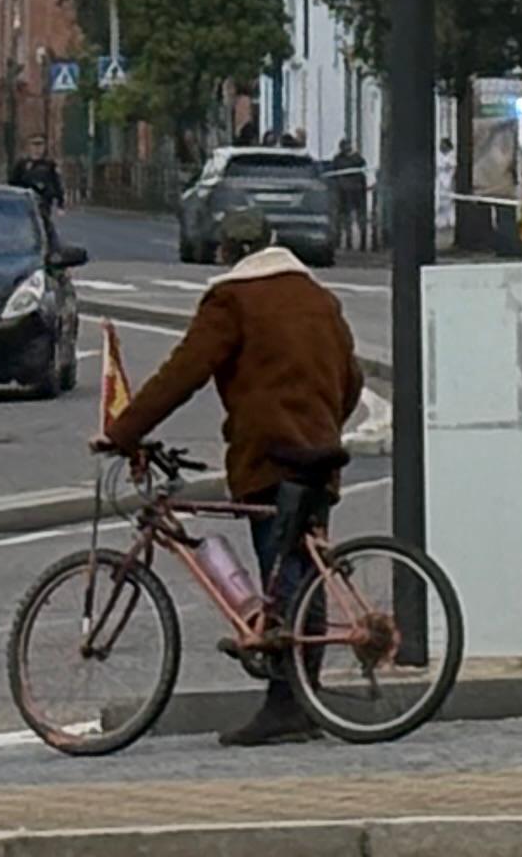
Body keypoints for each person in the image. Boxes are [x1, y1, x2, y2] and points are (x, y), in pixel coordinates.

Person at [100, 210, 366, 748]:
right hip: (319, 452)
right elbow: (353, 378)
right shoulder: (317, 298)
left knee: (283, 574)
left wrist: (123, 431)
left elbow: (183, 373)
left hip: (271, 454)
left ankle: (287, 705)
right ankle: (304, 699)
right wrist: (323, 426)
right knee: (304, 572)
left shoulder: (232, 300)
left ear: (227, 252)